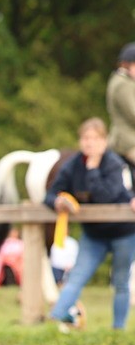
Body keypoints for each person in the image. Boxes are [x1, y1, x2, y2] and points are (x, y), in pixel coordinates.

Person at [44, 117, 135, 331]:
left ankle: (117, 330)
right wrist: (57, 201)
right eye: (85, 138)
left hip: (123, 233)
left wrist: (93, 169)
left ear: (104, 141)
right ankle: (54, 321)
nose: (89, 143)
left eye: (95, 138)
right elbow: (49, 194)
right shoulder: (73, 165)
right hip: (94, 235)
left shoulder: (113, 164)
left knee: (121, 282)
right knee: (76, 277)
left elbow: (106, 196)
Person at [106, 43, 135, 167]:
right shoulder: (123, 84)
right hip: (127, 141)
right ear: (128, 65)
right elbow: (133, 114)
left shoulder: (120, 80)